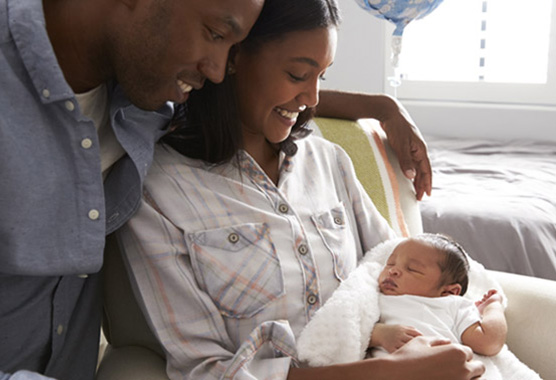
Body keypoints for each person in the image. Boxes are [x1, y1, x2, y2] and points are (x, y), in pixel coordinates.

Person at [0, 1, 431, 379]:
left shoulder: (145, 88)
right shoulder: (161, 161)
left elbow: (260, 92)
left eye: (230, 46)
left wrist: (381, 107)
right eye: (216, 34)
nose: (217, 68)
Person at [117, 0, 484, 379]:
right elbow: (206, 369)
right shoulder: (160, 190)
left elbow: (399, 266)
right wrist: (388, 374)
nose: (313, 99)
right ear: (232, 56)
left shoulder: (328, 161)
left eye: (321, 77)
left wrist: (479, 319)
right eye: (297, 74)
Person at [370, 234, 507, 358]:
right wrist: (380, 334)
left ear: (448, 292)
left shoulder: (452, 304)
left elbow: (488, 343)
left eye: (412, 269)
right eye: (390, 264)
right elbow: (352, 331)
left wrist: (493, 306)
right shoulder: (373, 296)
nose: (393, 271)